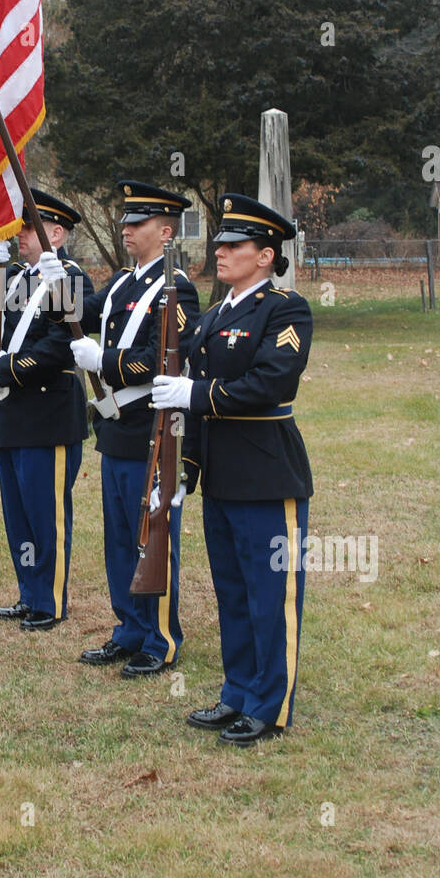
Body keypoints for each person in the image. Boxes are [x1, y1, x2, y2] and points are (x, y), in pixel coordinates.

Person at [151, 194, 313, 744]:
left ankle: (269, 706)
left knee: (271, 594)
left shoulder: (285, 309)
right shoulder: (218, 313)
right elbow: (192, 395)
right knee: (233, 591)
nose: (220, 252)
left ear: (266, 255)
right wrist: (183, 471)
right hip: (221, 476)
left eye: (234, 245)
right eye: (219, 243)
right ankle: (237, 693)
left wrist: (194, 392)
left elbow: (269, 383)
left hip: (266, 473)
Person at [68, 181, 201, 678]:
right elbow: (81, 311)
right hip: (116, 432)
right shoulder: (124, 283)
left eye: (138, 223)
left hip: (151, 431)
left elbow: (162, 359)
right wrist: (59, 274)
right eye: (125, 221)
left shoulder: (176, 287)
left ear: (165, 231)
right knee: (120, 537)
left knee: (153, 534)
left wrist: (101, 359)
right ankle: (128, 628)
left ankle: (160, 637)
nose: (126, 229)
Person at [0, 190, 93, 631]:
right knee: (17, 512)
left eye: (27, 228)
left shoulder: (70, 277)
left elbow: (62, 346)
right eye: (16, 228)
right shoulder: (13, 277)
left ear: (55, 233)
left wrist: (8, 366)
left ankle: (50, 600)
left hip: (47, 410)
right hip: (10, 412)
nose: (18, 235)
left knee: (44, 512)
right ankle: (28, 592)